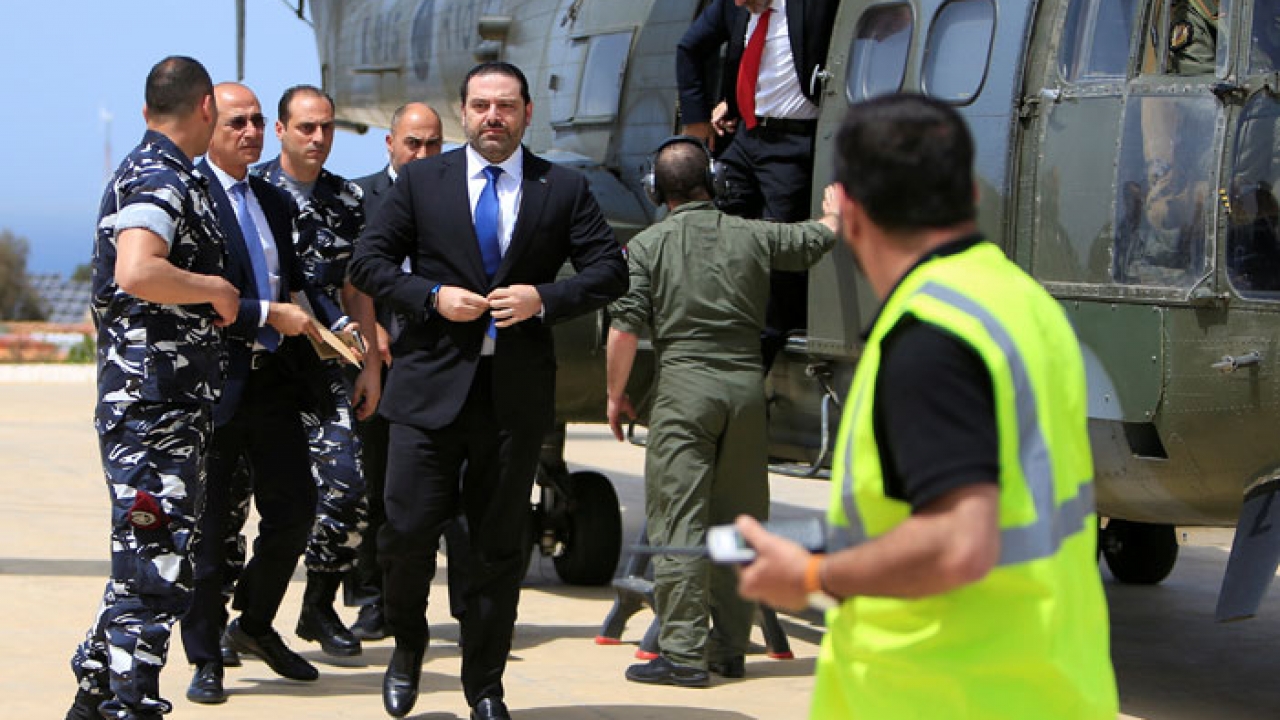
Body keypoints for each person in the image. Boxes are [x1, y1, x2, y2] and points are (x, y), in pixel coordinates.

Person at [734, 94, 1119, 718]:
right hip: (1046, 687)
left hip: (943, 695)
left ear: (850, 213)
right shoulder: (1023, 302)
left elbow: (956, 544)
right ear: (970, 192)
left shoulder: (930, 336)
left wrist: (809, 576)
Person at [349, 61, 627, 720]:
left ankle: (485, 685)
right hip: (428, 390)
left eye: (505, 106)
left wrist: (544, 298)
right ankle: (408, 646)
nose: (492, 117)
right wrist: (431, 296)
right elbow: (368, 263)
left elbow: (610, 272)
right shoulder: (422, 182)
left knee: (498, 548)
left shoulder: (562, 187)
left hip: (513, 396)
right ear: (464, 112)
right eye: (480, 105)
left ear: (528, 112)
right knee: (406, 533)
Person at [605, 136, 838, 687]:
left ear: (656, 191)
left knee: (679, 521)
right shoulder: (753, 235)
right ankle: (729, 648)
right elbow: (810, 240)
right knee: (740, 523)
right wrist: (834, 215)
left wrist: (615, 395)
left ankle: (683, 654)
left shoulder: (647, 247)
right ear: (713, 182)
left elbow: (625, 329)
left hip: (685, 391)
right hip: (746, 392)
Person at [66, 55, 239, 720]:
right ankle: (129, 706)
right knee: (155, 575)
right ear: (206, 108)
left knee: (146, 565)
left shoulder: (157, 168)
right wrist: (213, 288)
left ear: (147, 110)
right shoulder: (161, 174)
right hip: (152, 411)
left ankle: (93, 695)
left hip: (162, 407)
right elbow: (138, 269)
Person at [180, 81, 350, 705]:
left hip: (274, 382)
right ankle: (205, 657)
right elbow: (193, 295)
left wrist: (338, 326)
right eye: (238, 123)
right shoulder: (191, 198)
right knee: (211, 531)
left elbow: (297, 282)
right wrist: (265, 314)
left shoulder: (273, 201)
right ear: (210, 127)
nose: (251, 132)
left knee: (296, 510)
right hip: (214, 386)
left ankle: (253, 623)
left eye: (256, 121)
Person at [253, 84, 381, 658]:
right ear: (281, 130)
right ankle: (232, 622)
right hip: (260, 363)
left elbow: (356, 288)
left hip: (325, 366)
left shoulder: (347, 197)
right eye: (307, 127)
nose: (319, 137)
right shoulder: (251, 189)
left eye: (327, 127)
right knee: (234, 501)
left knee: (349, 486)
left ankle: (320, 604)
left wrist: (370, 364)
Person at [348, 101, 472, 643]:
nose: (423, 154)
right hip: (379, 363)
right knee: (380, 489)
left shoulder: (459, 196)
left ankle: (470, 610)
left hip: (440, 365)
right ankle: (374, 600)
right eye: (412, 143)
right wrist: (369, 328)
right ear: (390, 143)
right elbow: (347, 274)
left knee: (458, 495)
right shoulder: (358, 198)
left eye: (433, 144)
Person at [676, 0, 840, 369]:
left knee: (781, 244)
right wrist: (700, 117)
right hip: (746, 136)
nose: (738, 5)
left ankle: (762, 346)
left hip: (792, 141)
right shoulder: (734, 7)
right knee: (710, 221)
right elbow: (689, 47)